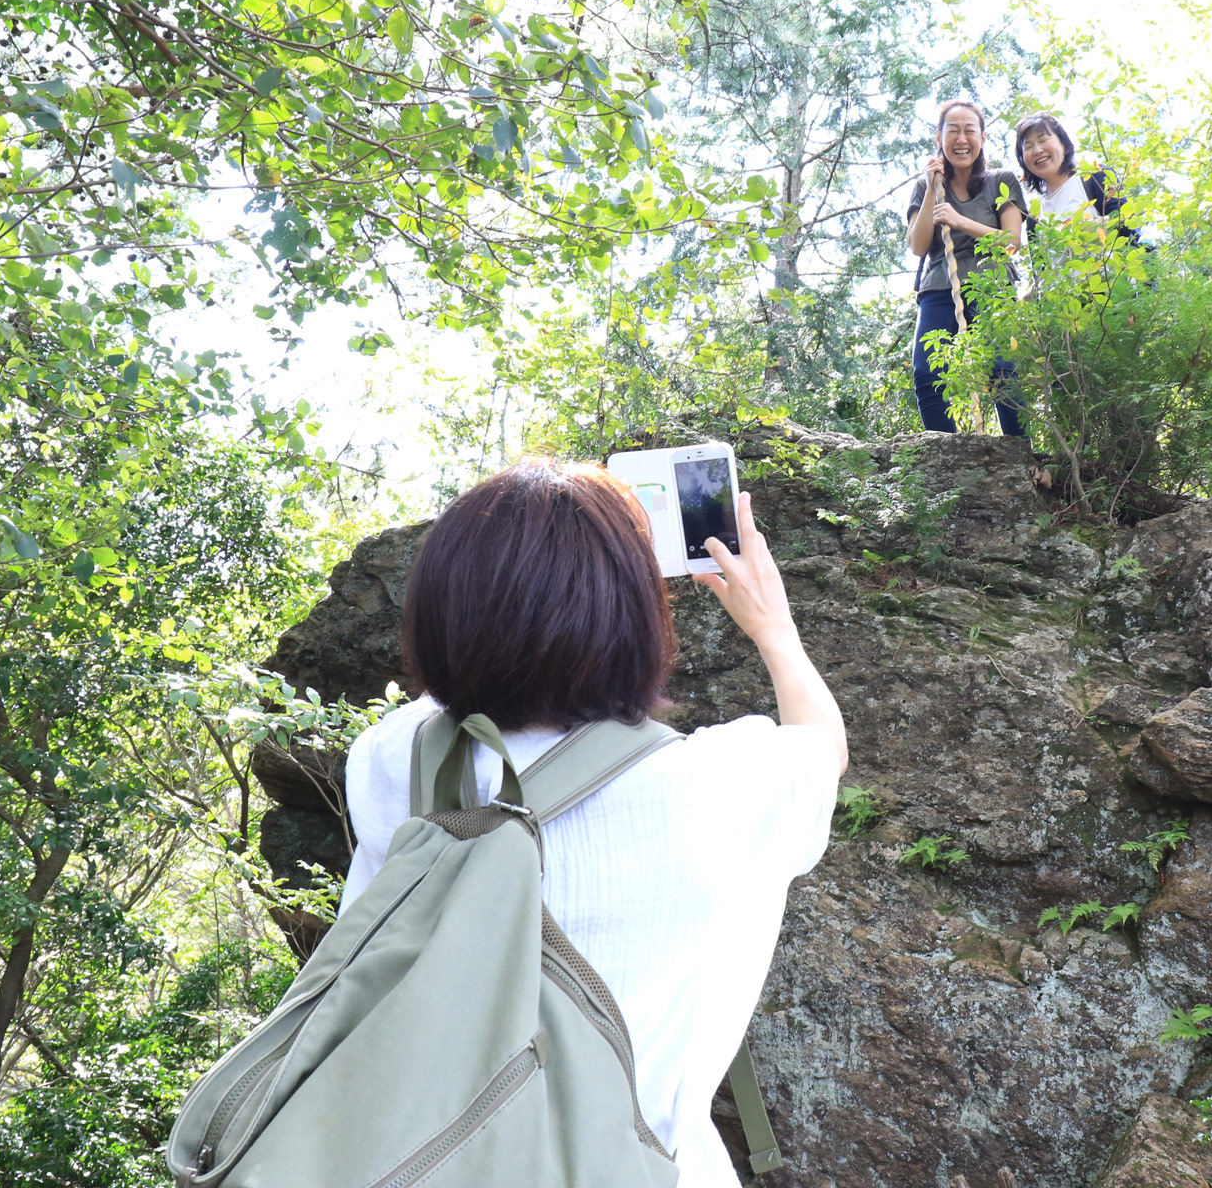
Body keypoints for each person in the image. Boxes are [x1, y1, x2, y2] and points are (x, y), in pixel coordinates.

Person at [338, 459, 847, 1188]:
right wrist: (773, 626)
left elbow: (449, 698)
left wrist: (547, 557)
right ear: (631, 614)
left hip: (417, 1160)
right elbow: (822, 751)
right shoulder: (711, 786)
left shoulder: (394, 760)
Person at [905, 98, 1029, 435]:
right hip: (940, 289)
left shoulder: (1000, 181)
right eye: (953, 131)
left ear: (983, 137)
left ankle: (1020, 453)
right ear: (939, 137)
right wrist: (933, 189)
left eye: (969, 131)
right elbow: (917, 245)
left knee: (1003, 370)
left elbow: (1011, 242)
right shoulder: (923, 186)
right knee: (927, 372)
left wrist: (959, 220)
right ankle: (943, 453)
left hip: (993, 287)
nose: (962, 139)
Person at [1012, 111, 1138, 243]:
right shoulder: (1035, 217)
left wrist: (1075, 231)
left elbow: (1124, 222)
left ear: (1063, 143)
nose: (1037, 150)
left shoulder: (1095, 176)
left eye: (1042, 140)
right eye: (1028, 146)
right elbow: (1040, 263)